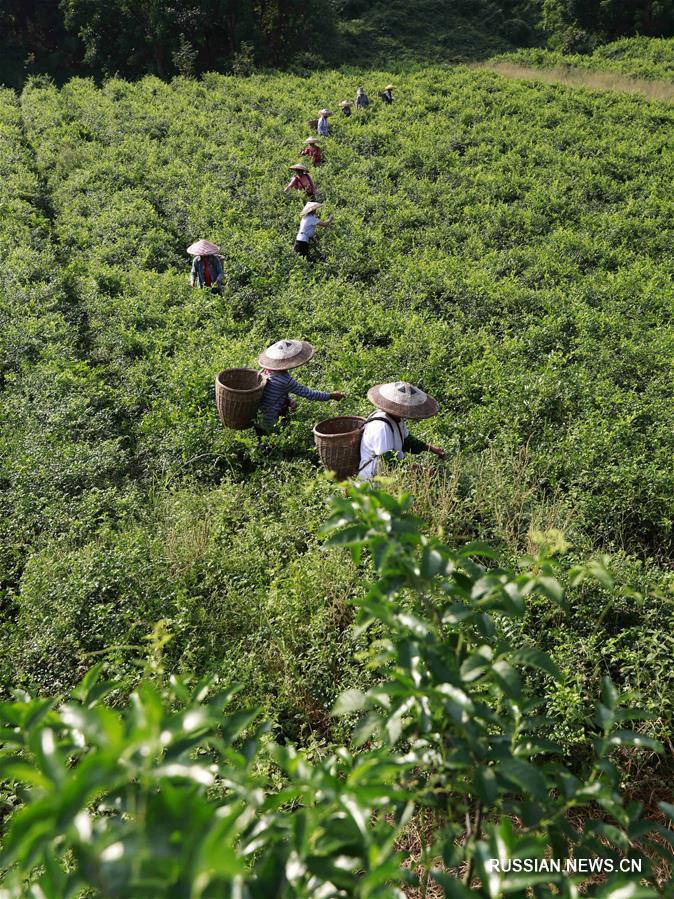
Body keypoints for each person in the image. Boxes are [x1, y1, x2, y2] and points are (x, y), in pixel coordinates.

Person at [358, 381, 445, 481]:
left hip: (387, 477)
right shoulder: (381, 427)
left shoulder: (397, 419)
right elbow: (388, 460)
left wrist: (431, 448)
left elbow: (406, 440)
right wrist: (419, 470)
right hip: (372, 481)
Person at [256, 339, 344, 434]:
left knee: (262, 445)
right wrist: (331, 396)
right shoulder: (285, 380)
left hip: (257, 419)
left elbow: (273, 392)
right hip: (271, 423)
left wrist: (289, 400)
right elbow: (309, 394)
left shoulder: (265, 371)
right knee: (273, 447)